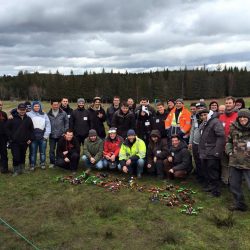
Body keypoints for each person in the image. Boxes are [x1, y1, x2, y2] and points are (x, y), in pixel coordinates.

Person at [226, 109, 250, 211]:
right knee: (234, 184)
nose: (242, 119)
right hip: (234, 161)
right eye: (240, 117)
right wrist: (229, 152)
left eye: (245, 117)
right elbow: (229, 141)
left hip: (248, 163)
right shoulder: (233, 128)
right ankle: (239, 204)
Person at [198, 109, 225, 197]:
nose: (203, 117)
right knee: (208, 171)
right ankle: (211, 187)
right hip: (205, 152)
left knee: (213, 172)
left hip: (212, 152)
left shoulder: (215, 122)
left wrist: (217, 152)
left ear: (209, 114)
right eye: (201, 116)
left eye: (205, 115)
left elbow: (221, 137)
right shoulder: (204, 123)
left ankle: (216, 192)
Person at [5, 103, 33, 176]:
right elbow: (6, 129)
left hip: (25, 142)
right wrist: (11, 137)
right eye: (20, 110)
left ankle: (22, 169)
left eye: (23, 110)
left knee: (23, 155)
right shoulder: (12, 118)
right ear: (17, 110)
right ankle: (16, 170)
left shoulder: (28, 119)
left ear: (26, 110)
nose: (22, 111)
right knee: (16, 156)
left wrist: (30, 138)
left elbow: (31, 130)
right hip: (15, 142)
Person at [219, 96, 238, 185]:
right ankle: (225, 180)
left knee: (233, 164)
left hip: (234, 145)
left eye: (230, 103)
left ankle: (234, 181)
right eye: (226, 103)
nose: (228, 104)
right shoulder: (221, 116)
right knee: (224, 163)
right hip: (222, 144)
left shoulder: (238, 116)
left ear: (234, 104)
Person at [27, 101, 51, 171]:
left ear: (40, 107)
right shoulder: (28, 114)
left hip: (42, 137)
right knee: (32, 152)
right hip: (33, 138)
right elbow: (17, 111)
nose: (37, 107)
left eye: (38, 106)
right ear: (32, 107)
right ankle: (32, 164)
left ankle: (42, 163)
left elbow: (48, 125)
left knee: (43, 152)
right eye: (35, 106)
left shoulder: (44, 115)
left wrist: (45, 136)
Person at [188, 102, 207, 183]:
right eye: (198, 108)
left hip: (203, 145)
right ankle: (199, 176)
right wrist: (190, 142)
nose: (200, 109)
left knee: (204, 162)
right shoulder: (195, 117)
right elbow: (192, 130)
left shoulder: (207, 118)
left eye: (201, 108)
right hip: (195, 143)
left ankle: (205, 178)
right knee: (197, 161)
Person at [47, 100, 69, 168]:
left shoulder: (63, 113)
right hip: (52, 135)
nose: (56, 106)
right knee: (51, 150)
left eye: (57, 104)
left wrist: (65, 132)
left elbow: (67, 123)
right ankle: (52, 162)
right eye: (54, 105)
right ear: (51, 105)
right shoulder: (48, 114)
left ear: (59, 105)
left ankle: (59, 162)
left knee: (60, 150)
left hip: (61, 135)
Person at [0, 100, 9, 173]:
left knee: (4, 153)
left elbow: (6, 126)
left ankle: (5, 169)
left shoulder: (4, 114)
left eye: (1, 105)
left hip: (3, 138)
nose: (0, 106)